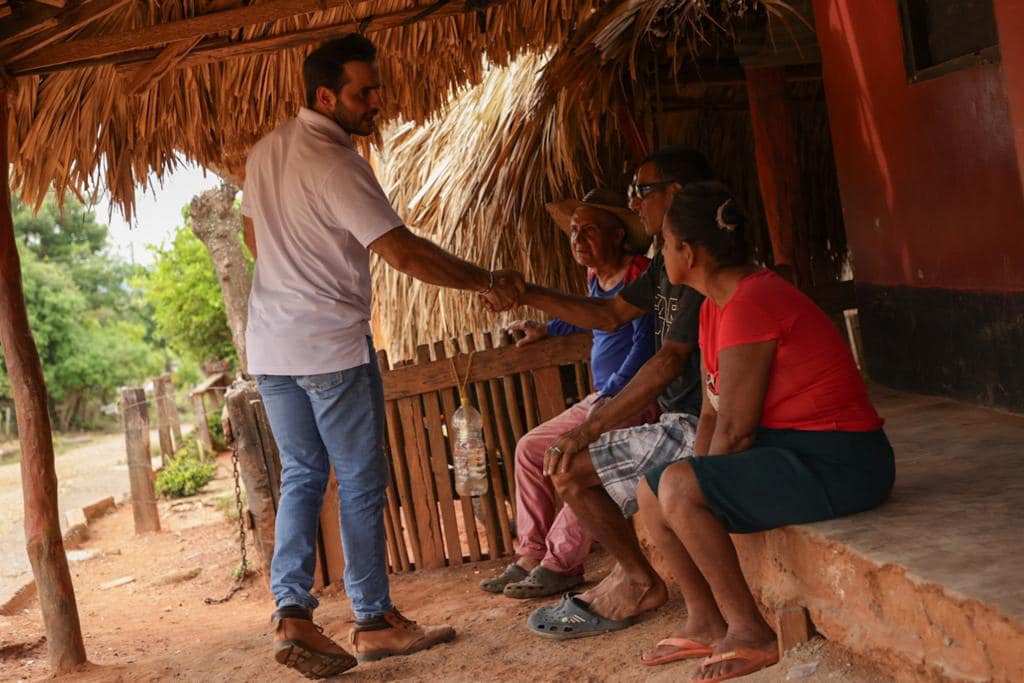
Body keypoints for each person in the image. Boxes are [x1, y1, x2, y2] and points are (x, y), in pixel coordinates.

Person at [241, 34, 520, 679]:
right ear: (325, 96)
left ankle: (291, 611)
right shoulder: (337, 163)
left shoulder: (264, 153)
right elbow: (402, 252)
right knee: (361, 481)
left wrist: (294, 287)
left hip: (272, 349)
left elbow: (255, 237)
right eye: (364, 92)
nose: (377, 101)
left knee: (303, 477)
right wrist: (484, 281)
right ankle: (373, 621)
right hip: (331, 348)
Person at [636, 182, 894, 682]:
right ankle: (706, 619)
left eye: (664, 245)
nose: (662, 254)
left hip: (845, 461)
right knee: (654, 489)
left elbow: (734, 430)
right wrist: (686, 481)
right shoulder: (717, 306)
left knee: (678, 486)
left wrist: (694, 487)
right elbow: (713, 411)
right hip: (795, 448)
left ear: (687, 252)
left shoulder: (753, 301)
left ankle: (750, 631)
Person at [506, 146, 715, 638]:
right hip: (671, 414)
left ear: (675, 195)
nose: (636, 203)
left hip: (687, 418)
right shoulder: (666, 266)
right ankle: (613, 572)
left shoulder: (691, 264)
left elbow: (662, 360)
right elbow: (605, 314)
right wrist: (528, 295)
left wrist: (591, 424)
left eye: (642, 192)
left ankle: (625, 578)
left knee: (569, 466)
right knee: (555, 456)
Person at [480, 189, 658, 599]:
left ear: (617, 235)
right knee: (528, 449)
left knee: (573, 459)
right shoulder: (596, 277)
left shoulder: (640, 275)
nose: (577, 239)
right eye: (574, 231)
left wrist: (611, 398)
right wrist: (548, 328)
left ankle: (561, 564)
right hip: (604, 397)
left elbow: (644, 347)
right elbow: (588, 314)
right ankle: (530, 555)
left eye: (589, 230)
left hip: (633, 399)